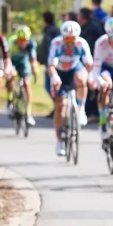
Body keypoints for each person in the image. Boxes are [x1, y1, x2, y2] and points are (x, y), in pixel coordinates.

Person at [47, 21, 93, 156]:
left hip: (74, 68)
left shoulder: (81, 43)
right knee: (61, 106)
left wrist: (90, 76)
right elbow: (50, 65)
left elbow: (88, 63)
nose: (70, 41)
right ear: (62, 37)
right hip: (60, 72)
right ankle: (59, 139)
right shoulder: (56, 44)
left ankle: (81, 109)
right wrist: (54, 77)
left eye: (72, 38)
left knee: (81, 79)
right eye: (67, 39)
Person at [89, 17, 113, 140]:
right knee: (107, 85)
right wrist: (100, 82)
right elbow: (95, 70)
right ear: (108, 36)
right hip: (105, 68)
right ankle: (103, 123)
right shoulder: (100, 43)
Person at [6, 25, 39, 126]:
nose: (22, 42)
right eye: (20, 40)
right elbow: (7, 59)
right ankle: (10, 101)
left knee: (27, 84)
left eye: (25, 40)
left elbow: (33, 60)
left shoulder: (32, 44)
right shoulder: (11, 43)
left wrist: (35, 71)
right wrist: (10, 71)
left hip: (23, 63)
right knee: (11, 79)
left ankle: (29, 114)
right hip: (12, 62)